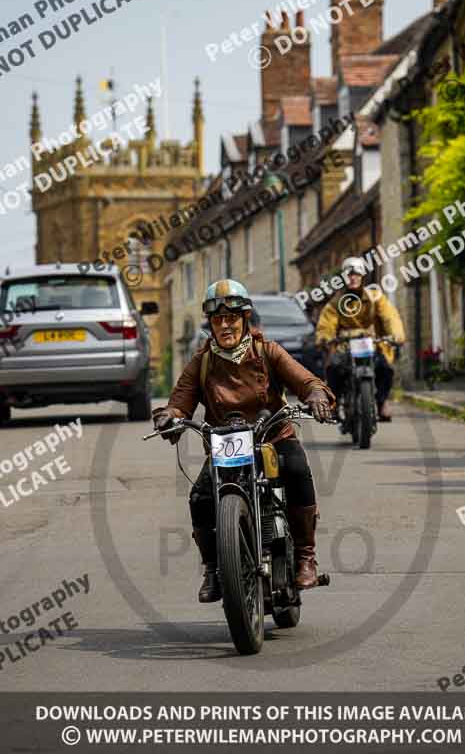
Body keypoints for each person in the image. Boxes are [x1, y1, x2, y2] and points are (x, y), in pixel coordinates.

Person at [153, 279, 336, 603]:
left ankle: (305, 558)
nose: (225, 325)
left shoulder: (267, 350)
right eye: (218, 319)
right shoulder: (202, 360)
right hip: (226, 444)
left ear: (245, 319)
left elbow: (305, 379)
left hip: (272, 437)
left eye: (232, 318)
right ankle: (213, 569)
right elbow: (180, 400)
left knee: (297, 470)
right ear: (211, 324)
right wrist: (170, 416)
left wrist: (317, 395)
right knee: (200, 498)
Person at [315, 256, 405, 422]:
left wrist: (396, 334)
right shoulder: (335, 302)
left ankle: (382, 402)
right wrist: (324, 338)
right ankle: (334, 404)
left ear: (362, 277)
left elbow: (390, 317)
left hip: (371, 344)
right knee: (333, 368)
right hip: (344, 346)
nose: (353, 278)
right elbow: (326, 324)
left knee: (385, 368)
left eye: (356, 274)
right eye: (349, 274)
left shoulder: (376, 297)